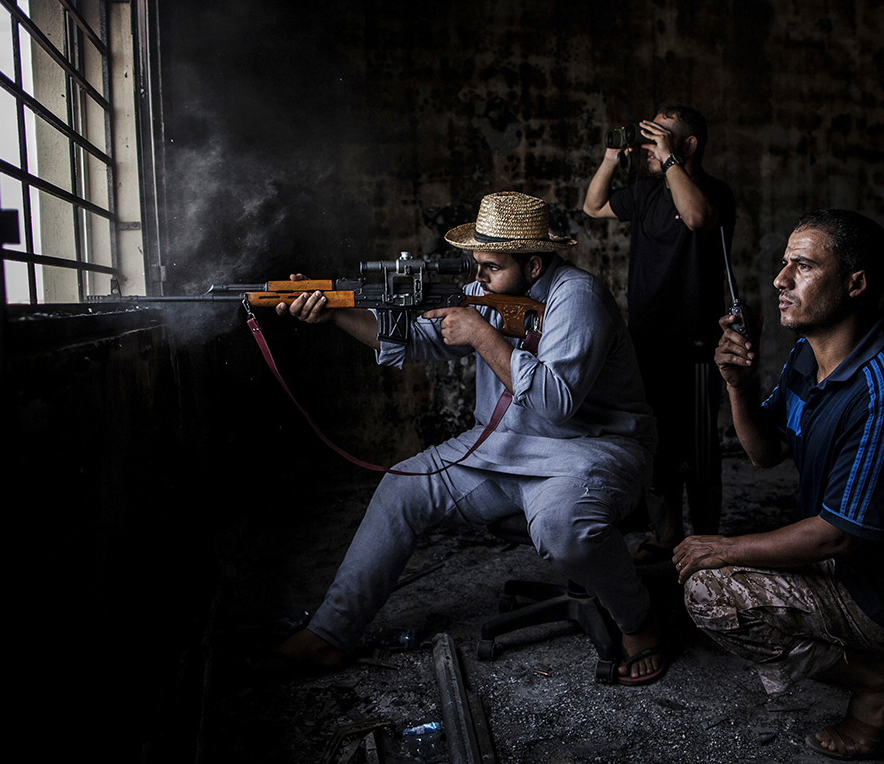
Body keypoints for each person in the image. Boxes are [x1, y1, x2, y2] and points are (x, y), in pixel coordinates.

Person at [263, 191, 666, 684]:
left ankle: (636, 619)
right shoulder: (488, 296)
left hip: (588, 451)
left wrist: (480, 334)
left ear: (533, 264)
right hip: (503, 446)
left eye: (490, 267)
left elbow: (557, 404)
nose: (477, 278)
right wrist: (335, 313)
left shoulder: (576, 296)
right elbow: (416, 339)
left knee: (563, 529)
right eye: (475, 265)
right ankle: (329, 635)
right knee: (402, 486)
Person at [675, 209, 884, 759]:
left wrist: (727, 548)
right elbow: (765, 453)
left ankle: (882, 685)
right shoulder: (807, 357)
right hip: (866, 568)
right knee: (744, 552)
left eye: (803, 267)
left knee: (710, 592)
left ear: (855, 284)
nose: (780, 280)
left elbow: (838, 535)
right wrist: (739, 386)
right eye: (784, 264)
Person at [582, 105, 737, 560]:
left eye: (662, 135)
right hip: (646, 339)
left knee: (701, 452)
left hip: (695, 344)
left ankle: (708, 542)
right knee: (659, 446)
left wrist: (668, 159)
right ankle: (670, 535)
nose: (651, 143)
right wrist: (613, 156)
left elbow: (695, 219)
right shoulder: (647, 192)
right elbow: (593, 206)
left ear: (687, 145)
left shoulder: (715, 194)